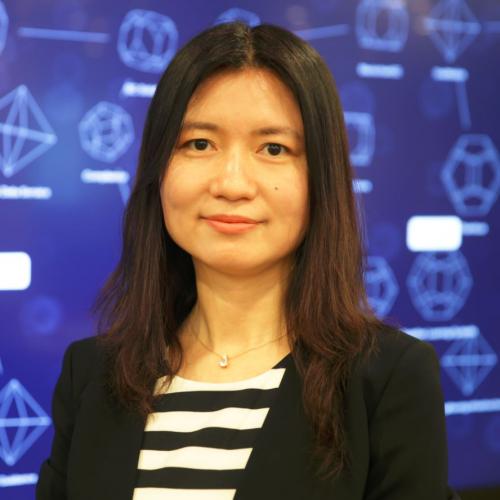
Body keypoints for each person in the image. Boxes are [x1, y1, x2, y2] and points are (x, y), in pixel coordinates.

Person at [36, 21, 460, 500]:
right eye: (199, 144)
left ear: (320, 179)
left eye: (274, 148)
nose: (232, 184)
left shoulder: (387, 380)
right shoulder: (91, 375)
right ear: (159, 169)